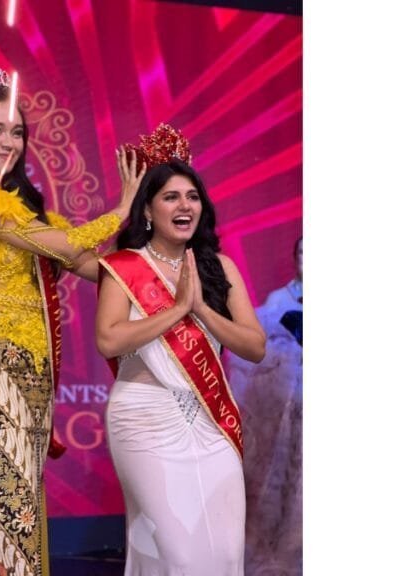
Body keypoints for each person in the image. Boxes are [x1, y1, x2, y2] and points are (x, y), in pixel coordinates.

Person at [0, 60, 145, 576]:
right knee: (5, 505)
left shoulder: (27, 214)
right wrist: (122, 209)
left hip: (35, 374)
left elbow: (92, 266)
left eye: (17, 132)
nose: (10, 141)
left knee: (21, 501)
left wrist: (156, 261)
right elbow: (65, 246)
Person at [95, 123, 267, 575]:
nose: (184, 205)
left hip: (209, 420)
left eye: (192, 196)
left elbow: (254, 346)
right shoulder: (123, 267)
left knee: (223, 552)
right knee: (176, 555)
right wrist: (175, 312)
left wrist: (202, 310)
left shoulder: (219, 267)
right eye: (171, 197)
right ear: (148, 210)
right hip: (144, 418)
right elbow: (108, 339)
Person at [226, 236, 302, 576]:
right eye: (302, 252)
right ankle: (273, 553)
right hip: (283, 410)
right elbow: (254, 354)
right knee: (279, 485)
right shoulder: (277, 302)